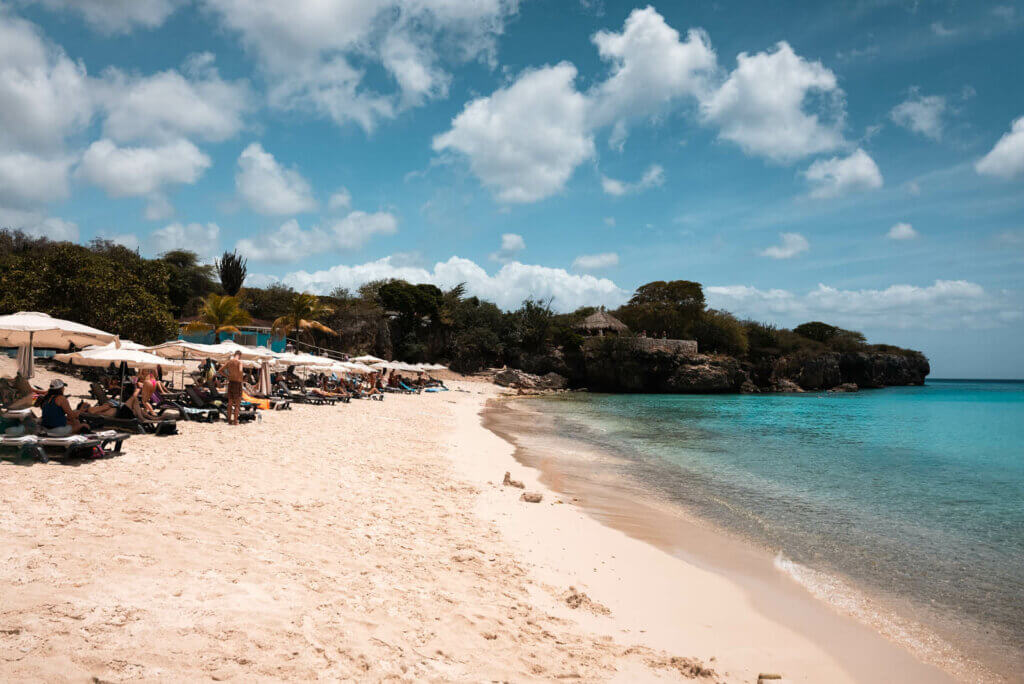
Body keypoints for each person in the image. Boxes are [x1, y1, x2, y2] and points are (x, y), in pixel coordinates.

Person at [218, 351, 244, 425]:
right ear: (240, 355)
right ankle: (235, 421)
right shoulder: (239, 362)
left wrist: (228, 376)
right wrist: (240, 376)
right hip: (237, 383)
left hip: (231, 383)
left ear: (234, 354)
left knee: (230, 403)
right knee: (237, 404)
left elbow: (220, 370)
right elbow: (240, 370)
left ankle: (229, 420)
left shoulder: (229, 362)